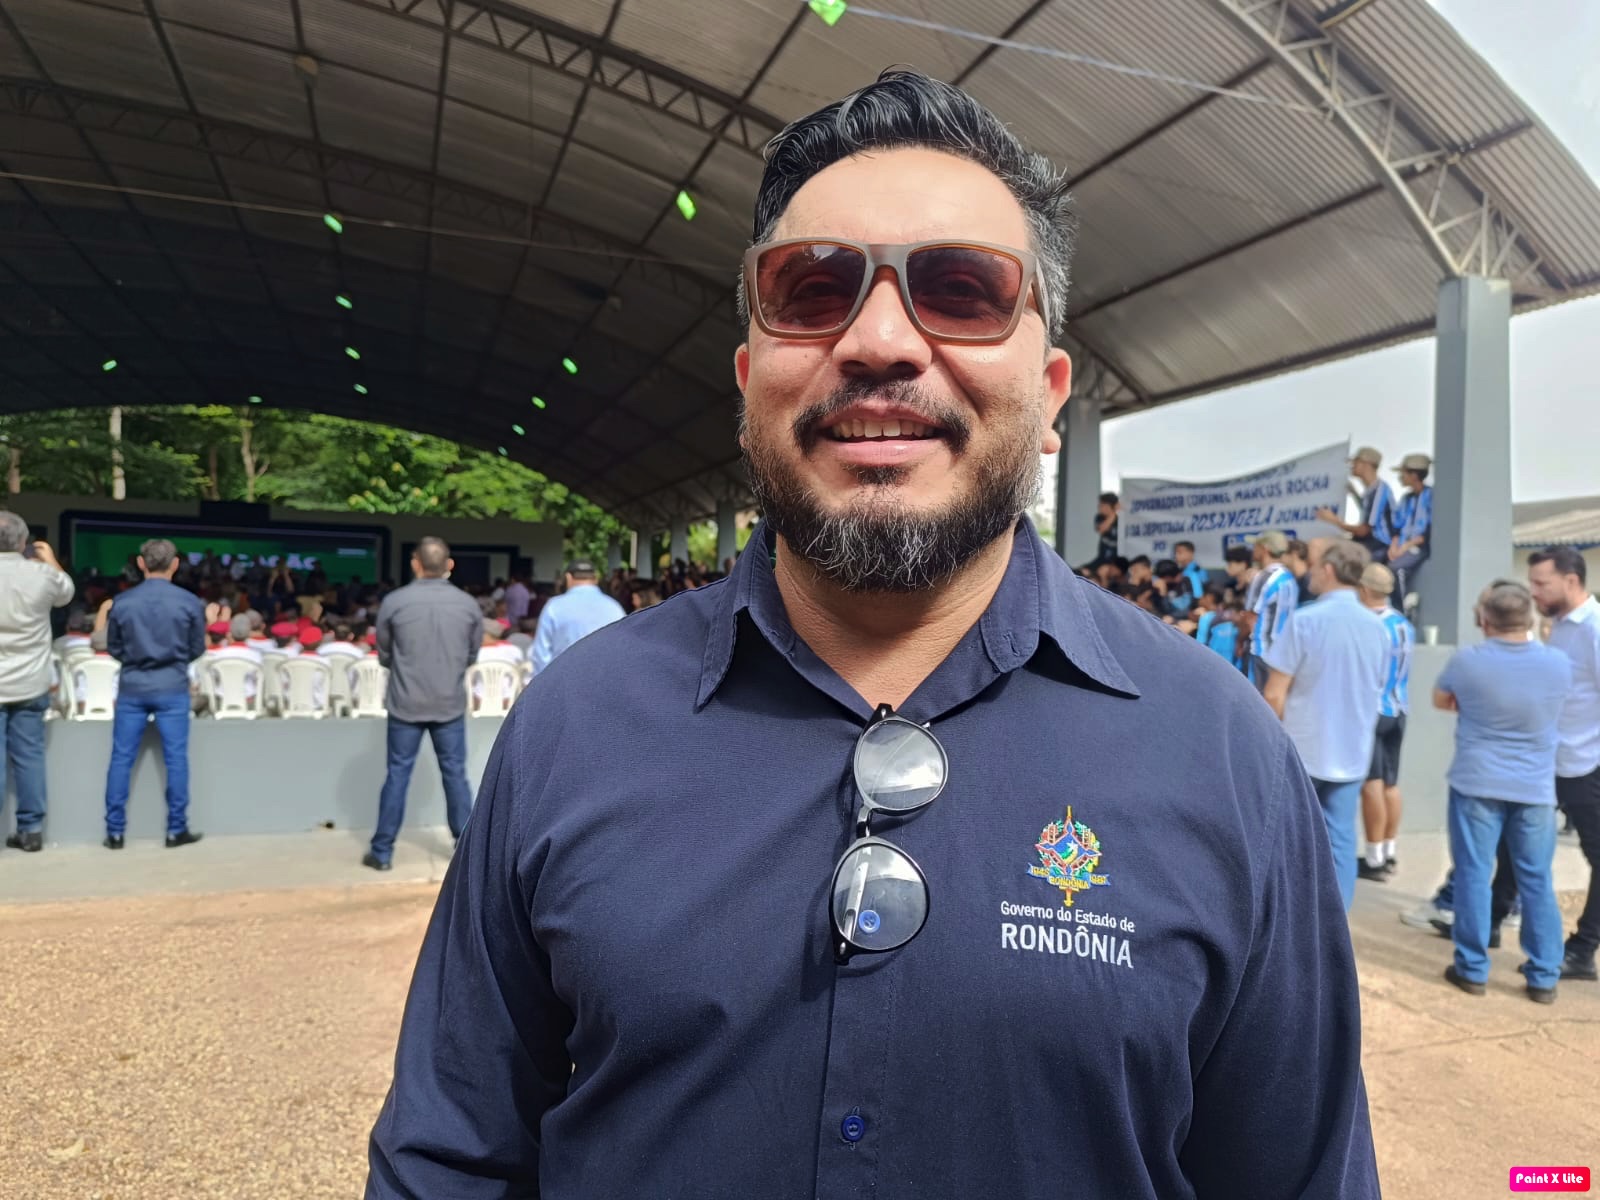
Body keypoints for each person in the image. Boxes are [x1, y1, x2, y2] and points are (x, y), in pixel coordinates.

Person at [367, 69, 1378, 1199]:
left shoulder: (1219, 750)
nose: (880, 340)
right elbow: (450, 1154)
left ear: (1050, 393)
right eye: (811, 289)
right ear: (750, 384)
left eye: (961, 289)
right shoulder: (578, 719)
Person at [1433, 580, 1570, 1003]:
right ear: (1529, 617)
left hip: (1477, 782)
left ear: (1485, 618)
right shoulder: (1558, 663)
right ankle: (1544, 975)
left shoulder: (1467, 660)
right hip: (1535, 788)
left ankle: (1472, 969)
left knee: (1473, 874)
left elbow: (1441, 699)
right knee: (1536, 879)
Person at [1262, 539, 1388, 909]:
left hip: (1302, 749)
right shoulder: (1378, 628)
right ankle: (1336, 922)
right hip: (1352, 749)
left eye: (1315, 567)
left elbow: (1274, 694)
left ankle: (1288, 919)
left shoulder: (1305, 620)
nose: (1310, 574)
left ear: (1329, 570)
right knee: (1341, 839)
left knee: (1287, 838)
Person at [364, 536, 482, 871]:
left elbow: (384, 654)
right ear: (449, 565)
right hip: (448, 703)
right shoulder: (468, 605)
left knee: (397, 775)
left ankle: (382, 852)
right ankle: (466, 852)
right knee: (455, 775)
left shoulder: (394, 602)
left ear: (415, 563)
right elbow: (471, 655)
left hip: (406, 702)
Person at [102, 538, 206, 850]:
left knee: (121, 758)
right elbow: (196, 648)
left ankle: (115, 833)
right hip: (172, 684)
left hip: (133, 685)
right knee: (176, 759)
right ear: (175, 564)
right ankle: (176, 830)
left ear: (140, 563)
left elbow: (114, 647)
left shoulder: (122, 602)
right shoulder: (189, 602)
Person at [1528, 546, 1600, 982]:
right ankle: (1492, 917)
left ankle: (1583, 949)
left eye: (1542, 583)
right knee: (1516, 841)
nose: (1534, 592)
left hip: (1586, 765)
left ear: (1571, 581)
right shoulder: (1560, 624)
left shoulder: (1593, 628)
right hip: (1554, 758)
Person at [0, 513, 76, 852]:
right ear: (23, 542)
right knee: (29, 757)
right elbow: (67, 592)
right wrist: (51, 559)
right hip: (31, 682)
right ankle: (31, 830)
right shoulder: (43, 575)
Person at [1355, 564, 1412, 881]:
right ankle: (1389, 850)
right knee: (1391, 783)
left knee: (1372, 784)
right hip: (1399, 707)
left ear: (1364, 589)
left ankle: (1374, 857)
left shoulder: (1370, 625)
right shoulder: (1402, 622)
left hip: (1374, 709)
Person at [527, 559, 626, 674]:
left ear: (568, 577)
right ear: (596, 578)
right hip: (605, 679)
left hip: (563, 680)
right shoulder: (614, 608)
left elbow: (541, 655)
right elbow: (624, 649)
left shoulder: (554, 607)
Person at [1317, 446, 1395, 561]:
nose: (1352, 465)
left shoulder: (1380, 491)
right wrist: (1354, 493)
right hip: (1367, 542)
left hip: (1378, 545)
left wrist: (1334, 520)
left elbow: (1364, 530)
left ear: (1366, 465)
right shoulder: (1371, 490)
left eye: (1355, 462)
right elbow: (1367, 509)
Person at [1245, 530, 1298, 692]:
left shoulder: (1264, 577)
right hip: (1282, 651)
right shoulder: (1289, 577)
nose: (1253, 550)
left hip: (1262, 650)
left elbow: (1251, 617)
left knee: (1257, 699)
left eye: (1256, 546)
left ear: (1265, 549)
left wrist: (1241, 641)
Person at [1388, 453, 1433, 615]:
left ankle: (1401, 611)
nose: (1401, 477)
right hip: (1402, 546)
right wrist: (1394, 546)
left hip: (1418, 546)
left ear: (1414, 475)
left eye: (1404, 473)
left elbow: (1428, 530)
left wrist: (1405, 546)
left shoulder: (1431, 496)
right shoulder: (1406, 498)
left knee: (1396, 569)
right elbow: (1397, 526)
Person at [1174, 540, 1208, 608]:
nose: (1176, 555)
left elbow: (1198, 596)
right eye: (1176, 552)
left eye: (1180, 552)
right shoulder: (1180, 572)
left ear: (1190, 553)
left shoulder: (1195, 572)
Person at [1089, 491, 1120, 567]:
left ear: (1110, 506)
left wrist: (1115, 512)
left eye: (1102, 505)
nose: (1099, 507)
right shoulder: (1099, 517)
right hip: (1102, 558)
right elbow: (1102, 529)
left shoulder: (1121, 519)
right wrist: (1113, 514)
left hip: (1116, 561)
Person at [1284, 538, 1313, 607]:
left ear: (1294, 554)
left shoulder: (1309, 582)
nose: (1280, 558)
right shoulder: (1296, 580)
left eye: (1283, 554)